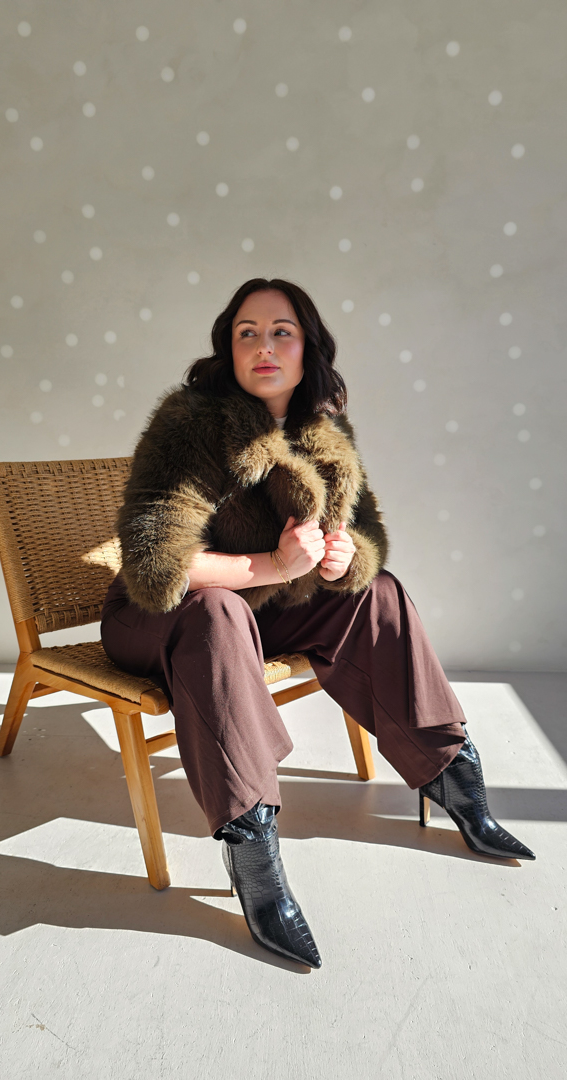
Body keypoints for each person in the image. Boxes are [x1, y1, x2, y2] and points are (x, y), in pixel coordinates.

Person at [101, 277, 535, 970]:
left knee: (378, 592)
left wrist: (344, 558)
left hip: (258, 619)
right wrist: (275, 564)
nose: (264, 346)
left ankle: (453, 777)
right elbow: (155, 563)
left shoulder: (326, 432)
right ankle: (253, 852)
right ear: (228, 348)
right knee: (217, 611)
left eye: (282, 332)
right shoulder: (190, 422)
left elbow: (369, 538)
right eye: (247, 332)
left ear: (309, 349)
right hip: (159, 620)